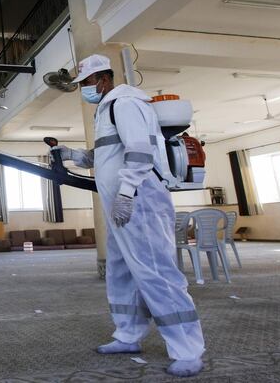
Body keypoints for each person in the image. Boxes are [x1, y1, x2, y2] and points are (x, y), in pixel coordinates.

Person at [53, 54, 205, 378]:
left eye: (86, 83)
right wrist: (72, 155)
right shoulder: (106, 108)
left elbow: (139, 151)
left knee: (155, 271)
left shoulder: (123, 103)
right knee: (121, 270)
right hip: (121, 204)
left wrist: (126, 194)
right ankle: (128, 335)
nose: (84, 90)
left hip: (138, 201)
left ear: (103, 79)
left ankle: (188, 350)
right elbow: (108, 154)